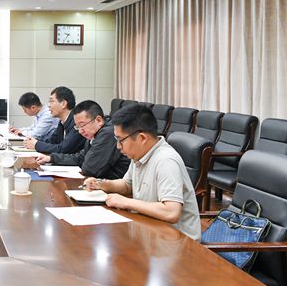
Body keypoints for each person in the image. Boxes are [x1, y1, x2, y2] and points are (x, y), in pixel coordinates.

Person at [83, 104, 201, 240]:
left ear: (142, 138)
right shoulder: (139, 154)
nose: (118, 146)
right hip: (151, 230)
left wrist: (126, 202)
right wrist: (101, 184)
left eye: (121, 140)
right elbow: (127, 185)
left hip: (178, 241)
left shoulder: (166, 161)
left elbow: (171, 212)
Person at [36, 100, 130, 179]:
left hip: (118, 188)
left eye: (82, 125)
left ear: (99, 120)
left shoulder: (108, 133)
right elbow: (80, 157)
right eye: (77, 127)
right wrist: (52, 158)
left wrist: (84, 161)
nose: (80, 131)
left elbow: (89, 169)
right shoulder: (94, 133)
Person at [24, 86, 85, 155]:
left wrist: (37, 144)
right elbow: (52, 141)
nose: (49, 106)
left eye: (51, 101)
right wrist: (33, 141)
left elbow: (63, 149)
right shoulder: (62, 122)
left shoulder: (76, 122)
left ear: (63, 104)